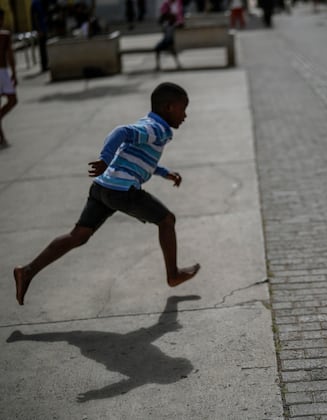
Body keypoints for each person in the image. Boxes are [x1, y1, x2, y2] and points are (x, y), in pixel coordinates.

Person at [13, 82, 200, 306]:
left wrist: (164, 172)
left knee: (78, 236)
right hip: (122, 191)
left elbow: (139, 157)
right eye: (183, 109)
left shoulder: (149, 124)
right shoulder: (156, 129)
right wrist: (104, 157)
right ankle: (173, 274)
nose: (185, 115)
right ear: (169, 107)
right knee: (167, 220)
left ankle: (27, 271)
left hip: (102, 187)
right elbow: (121, 132)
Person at [0, 8, 17, 149]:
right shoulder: (5, 35)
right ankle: (2, 138)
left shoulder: (5, 35)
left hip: (3, 72)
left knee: (12, 100)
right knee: (12, 100)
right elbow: (10, 55)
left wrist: (14, 73)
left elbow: (10, 55)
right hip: (3, 72)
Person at [30, 0, 49, 72]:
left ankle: (47, 63)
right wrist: (38, 30)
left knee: (46, 47)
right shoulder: (35, 3)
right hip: (41, 29)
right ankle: (44, 65)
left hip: (44, 27)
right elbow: (35, 17)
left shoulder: (42, 2)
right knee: (42, 48)